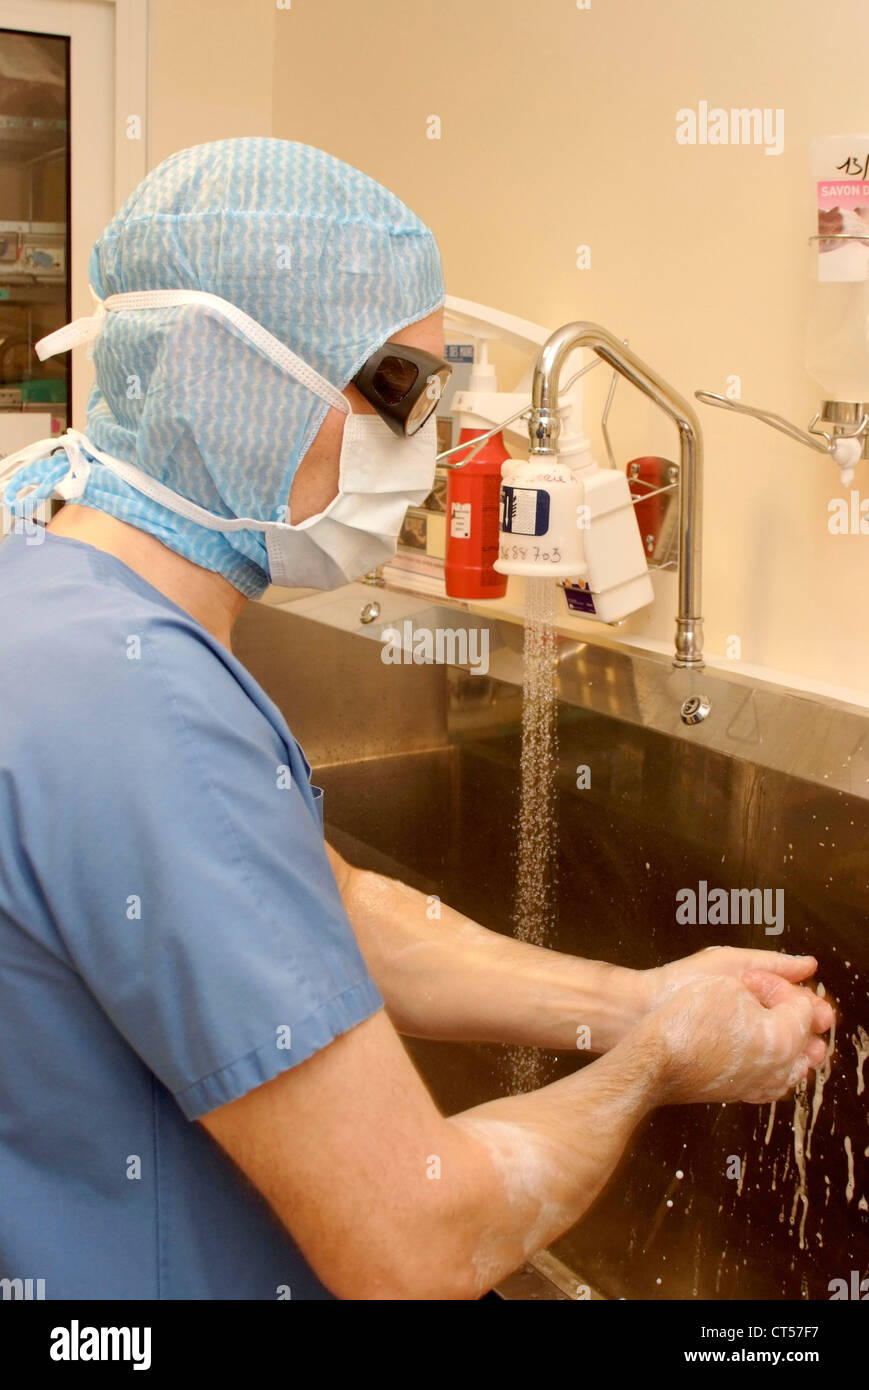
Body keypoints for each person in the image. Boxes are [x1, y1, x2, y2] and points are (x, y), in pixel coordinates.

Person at [0, 138, 833, 1301]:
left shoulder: (47, 571)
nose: (428, 445)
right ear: (234, 376)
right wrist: (651, 1065)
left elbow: (324, 911)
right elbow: (418, 1242)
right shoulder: (144, 708)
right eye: (399, 390)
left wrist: (638, 996)